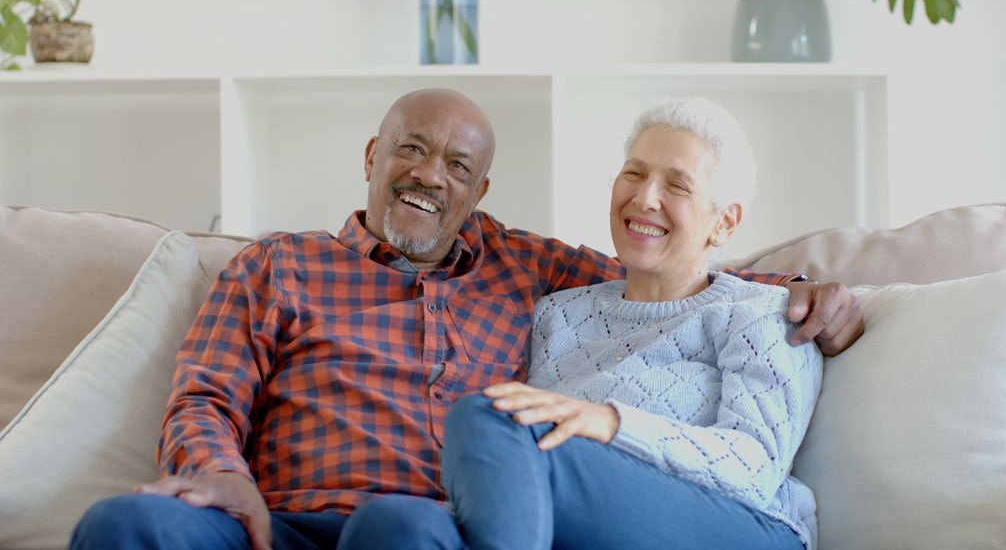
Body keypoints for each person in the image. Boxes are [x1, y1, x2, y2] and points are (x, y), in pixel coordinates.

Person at [70, 89, 859, 550]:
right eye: (410, 151)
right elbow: (207, 395)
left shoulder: (528, 269)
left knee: (400, 529)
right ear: (374, 155)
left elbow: (666, 277)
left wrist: (802, 290)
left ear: (479, 192)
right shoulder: (278, 265)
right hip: (283, 524)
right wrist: (220, 475)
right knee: (123, 525)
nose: (428, 177)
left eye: (457, 167)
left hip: (429, 528)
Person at [350, 97, 823, 549]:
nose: (645, 197)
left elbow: (755, 469)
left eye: (676, 185)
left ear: (724, 223)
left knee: (486, 417)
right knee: (393, 524)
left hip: (740, 526)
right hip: (583, 526)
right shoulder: (559, 314)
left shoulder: (761, 313)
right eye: (633, 174)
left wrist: (609, 423)